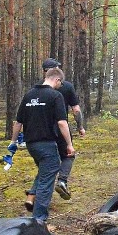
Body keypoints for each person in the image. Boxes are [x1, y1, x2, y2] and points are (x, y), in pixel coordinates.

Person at [9, 67, 75, 224]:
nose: (61, 85)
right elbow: (62, 122)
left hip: (32, 145)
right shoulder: (55, 96)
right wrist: (69, 144)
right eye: (61, 83)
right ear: (57, 80)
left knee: (45, 172)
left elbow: (18, 122)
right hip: (46, 143)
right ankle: (39, 219)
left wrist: (13, 142)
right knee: (47, 179)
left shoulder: (29, 95)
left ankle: (32, 200)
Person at [41, 58, 85, 200]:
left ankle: (39, 194)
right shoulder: (66, 86)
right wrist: (80, 127)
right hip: (60, 128)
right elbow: (76, 110)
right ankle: (62, 181)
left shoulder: (37, 88)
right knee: (68, 155)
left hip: (41, 131)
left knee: (46, 161)